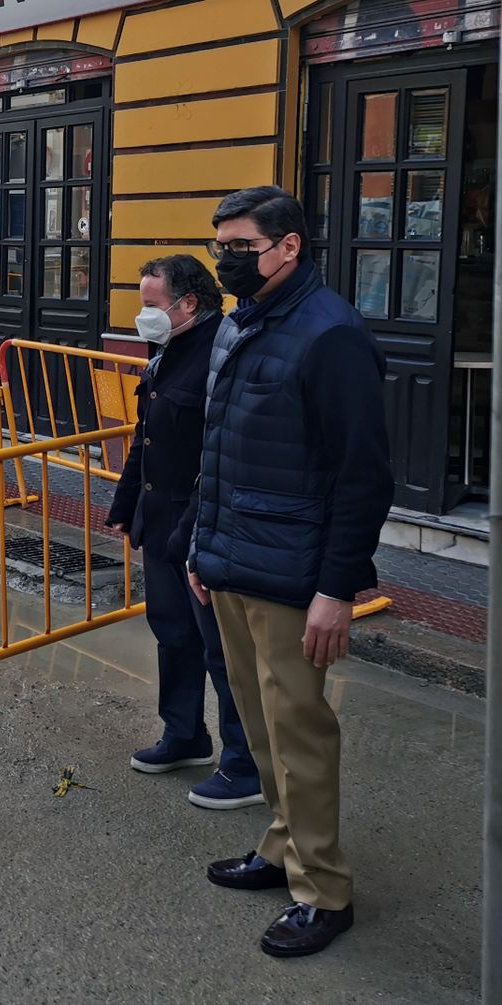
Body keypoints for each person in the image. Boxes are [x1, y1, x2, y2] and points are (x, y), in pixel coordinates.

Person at [186, 186, 393, 958]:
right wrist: (201, 545)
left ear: (289, 246)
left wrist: (337, 588)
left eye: (239, 245)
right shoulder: (244, 321)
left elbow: (363, 476)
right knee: (262, 724)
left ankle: (324, 889)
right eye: (219, 245)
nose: (225, 259)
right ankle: (282, 847)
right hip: (234, 559)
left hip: (293, 575)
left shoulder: (329, 334)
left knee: (299, 732)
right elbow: (222, 445)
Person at [106, 255, 260, 811]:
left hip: (205, 527)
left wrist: (195, 531)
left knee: (223, 649)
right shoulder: (167, 348)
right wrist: (126, 504)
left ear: (187, 304)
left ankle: (245, 765)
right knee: (173, 634)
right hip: (160, 516)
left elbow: (220, 455)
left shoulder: (223, 354)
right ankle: (185, 735)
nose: (142, 315)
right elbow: (147, 436)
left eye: (150, 304)